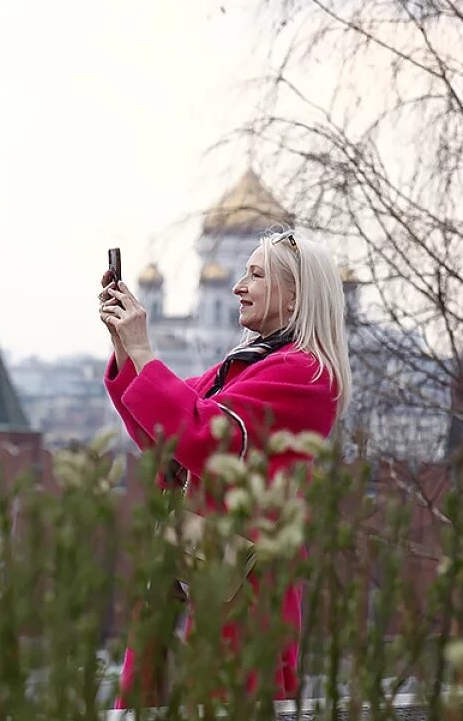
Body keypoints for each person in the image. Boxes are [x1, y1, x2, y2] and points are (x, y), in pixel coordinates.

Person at [99, 228, 351, 708]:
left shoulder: (305, 373)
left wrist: (145, 351)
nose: (238, 286)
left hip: (243, 585)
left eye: (255, 275)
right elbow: (163, 435)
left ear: (296, 294)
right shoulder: (248, 364)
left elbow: (205, 438)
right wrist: (126, 348)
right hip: (200, 568)